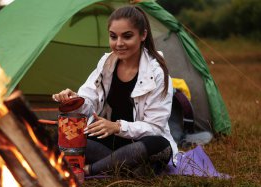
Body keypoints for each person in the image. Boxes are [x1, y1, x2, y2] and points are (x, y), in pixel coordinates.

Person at [52, 6, 178, 176]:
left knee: (160, 145)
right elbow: (88, 101)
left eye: (127, 36)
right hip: (110, 143)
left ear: (143, 35)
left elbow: (155, 127)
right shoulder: (106, 63)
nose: (119, 43)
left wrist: (118, 127)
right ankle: (124, 168)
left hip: (140, 143)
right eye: (113, 37)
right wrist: (74, 100)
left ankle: (89, 170)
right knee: (60, 134)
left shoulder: (157, 72)